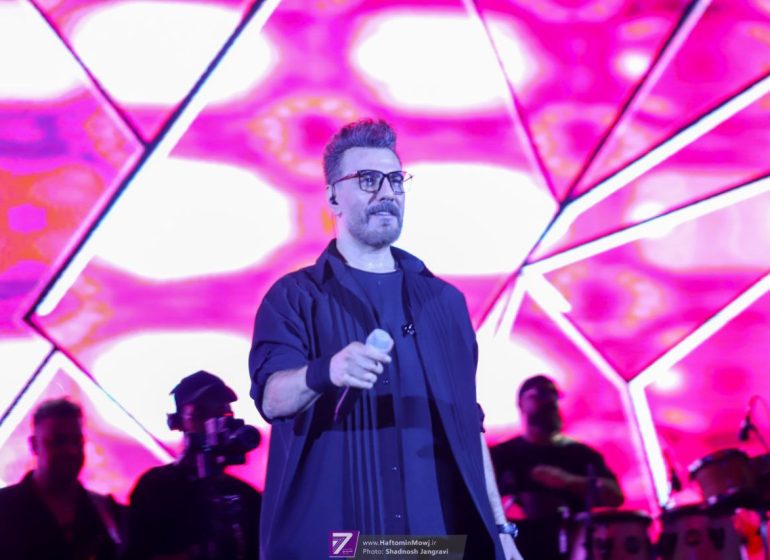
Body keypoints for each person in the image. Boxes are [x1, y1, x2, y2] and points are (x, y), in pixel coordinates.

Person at [248, 119, 522, 559]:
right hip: (339, 547)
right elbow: (272, 398)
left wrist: (501, 530)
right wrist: (326, 371)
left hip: (431, 547)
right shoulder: (295, 296)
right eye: (368, 180)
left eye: (395, 180)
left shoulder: (444, 303)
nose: (387, 193)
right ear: (333, 197)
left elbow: (467, 424)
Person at [125, 370, 262, 560]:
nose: (216, 423)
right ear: (177, 421)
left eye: (223, 414)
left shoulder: (247, 497)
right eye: (202, 414)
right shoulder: (155, 487)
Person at [490, 374, 624, 560]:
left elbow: (615, 496)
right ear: (521, 403)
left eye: (554, 395)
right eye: (540, 394)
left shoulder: (581, 454)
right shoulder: (500, 455)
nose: (550, 401)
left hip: (570, 550)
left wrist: (569, 481)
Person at [0, 398, 124, 560]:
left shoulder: (108, 511)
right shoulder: (4, 509)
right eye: (58, 441)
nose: (71, 451)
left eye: (77, 441)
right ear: (34, 445)